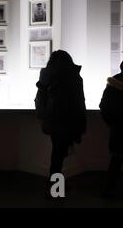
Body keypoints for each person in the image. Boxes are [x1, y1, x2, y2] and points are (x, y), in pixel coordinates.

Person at [34, 50, 87, 192]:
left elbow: (40, 99)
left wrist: (43, 116)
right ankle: (56, 188)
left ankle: (57, 185)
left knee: (57, 153)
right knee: (59, 154)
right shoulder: (74, 78)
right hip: (68, 120)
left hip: (52, 120)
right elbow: (79, 101)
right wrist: (82, 122)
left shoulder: (46, 77)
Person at [99, 56, 123, 203]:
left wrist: (112, 123)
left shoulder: (113, 83)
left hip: (119, 129)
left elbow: (104, 107)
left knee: (115, 162)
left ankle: (109, 191)